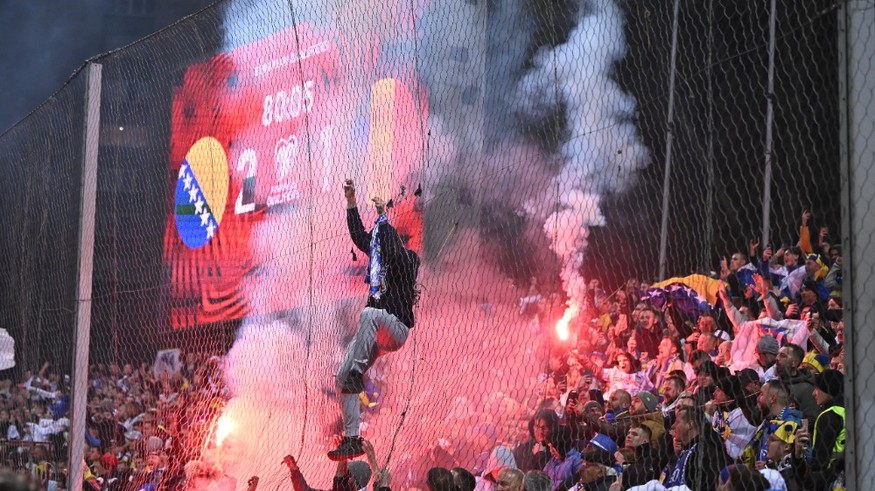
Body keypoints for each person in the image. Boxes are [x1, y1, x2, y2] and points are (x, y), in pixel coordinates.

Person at [329, 180, 421, 461]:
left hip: (395, 329)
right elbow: (359, 235)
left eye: (379, 241)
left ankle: (358, 374)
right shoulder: (381, 255)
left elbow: (390, 248)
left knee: (368, 313)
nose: (374, 248)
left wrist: (382, 217)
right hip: (377, 330)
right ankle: (352, 439)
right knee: (342, 376)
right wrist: (351, 202)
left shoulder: (408, 259)